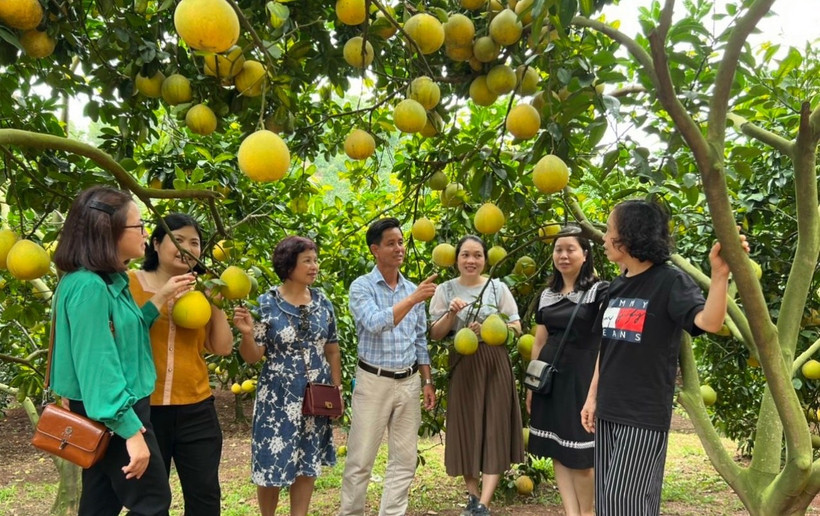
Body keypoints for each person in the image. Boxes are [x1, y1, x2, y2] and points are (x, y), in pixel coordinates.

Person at [580, 199, 748, 515]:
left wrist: (720, 275)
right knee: (608, 505)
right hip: (609, 410)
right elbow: (608, 347)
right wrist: (592, 397)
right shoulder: (616, 285)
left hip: (642, 415)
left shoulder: (670, 282)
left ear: (628, 237)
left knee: (623, 503)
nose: (603, 238)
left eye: (609, 230)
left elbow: (708, 322)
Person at [50, 186, 193, 515]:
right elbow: (99, 367)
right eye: (138, 225)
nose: (145, 233)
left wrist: (161, 298)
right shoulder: (89, 287)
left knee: (101, 502)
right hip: (115, 411)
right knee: (152, 502)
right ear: (109, 231)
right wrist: (130, 432)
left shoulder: (111, 281)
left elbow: (124, 339)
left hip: (117, 407)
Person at [128, 213, 233, 515]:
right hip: (145, 408)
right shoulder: (131, 283)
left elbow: (223, 347)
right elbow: (123, 337)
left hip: (196, 407)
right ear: (157, 243)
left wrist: (216, 303)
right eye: (179, 239)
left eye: (195, 242)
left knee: (205, 496)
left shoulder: (200, 291)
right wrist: (162, 296)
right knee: (148, 500)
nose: (187, 247)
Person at [233, 235, 342, 516]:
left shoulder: (323, 303)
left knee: (307, 462)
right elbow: (253, 355)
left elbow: (332, 350)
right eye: (307, 260)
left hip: (315, 395)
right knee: (272, 461)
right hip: (277, 399)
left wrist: (336, 389)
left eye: (315, 260)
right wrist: (247, 334)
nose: (314, 266)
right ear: (288, 264)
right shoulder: (265, 304)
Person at [339, 217, 437, 516]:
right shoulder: (362, 287)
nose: (399, 248)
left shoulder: (411, 288)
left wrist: (428, 380)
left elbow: (420, 338)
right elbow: (375, 323)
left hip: (408, 382)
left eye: (401, 242)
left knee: (405, 460)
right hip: (374, 381)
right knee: (360, 461)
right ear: (375, 249)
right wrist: (413, 298)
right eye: (391, 243)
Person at [429, 235, 524, 516]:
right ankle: (472, 497)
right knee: (466, 427)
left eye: (477, 255)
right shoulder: (445, 290)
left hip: (494, 362)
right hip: (464, 363)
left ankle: (484, 502)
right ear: (456, 259)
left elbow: (517, 327)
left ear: (485, 259)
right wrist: (451, 315)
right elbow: (435, 333)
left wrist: (493, 328)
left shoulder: (497, 288)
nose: (471, 261)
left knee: (495, 425)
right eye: (466, 255)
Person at [525, 228, 608, 516]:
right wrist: (531, 386)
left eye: (570, 249)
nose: (563, 255)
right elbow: (539, 342)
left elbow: (606, 343)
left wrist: (596, 391)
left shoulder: (600, 291)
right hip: (550, 381)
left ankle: (587, 512)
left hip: (582, 381)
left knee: (581, 455)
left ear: (585, 254)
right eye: (558, 249)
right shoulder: (547, 295)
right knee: (558, 449)